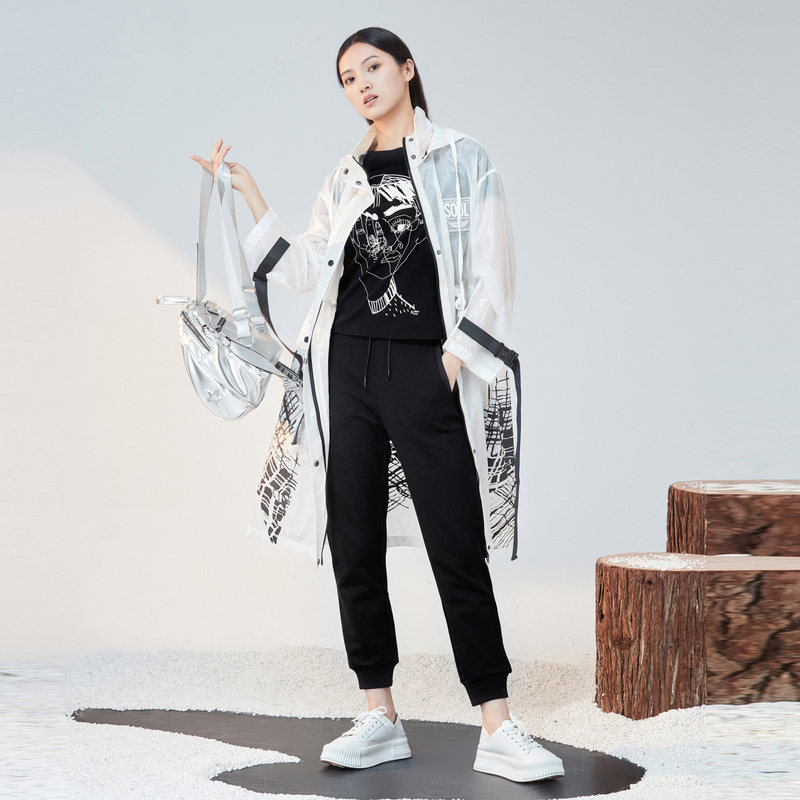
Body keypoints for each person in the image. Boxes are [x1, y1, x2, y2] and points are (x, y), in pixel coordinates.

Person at [190, 26, 564, 785]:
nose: (360, 84)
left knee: (457, 543)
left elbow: (494, 272)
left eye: (372, 67)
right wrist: (250, 193)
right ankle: (379, 715)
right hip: (346, 369)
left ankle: (498, 725)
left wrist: (451, 363)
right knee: (354, 543)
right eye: (347, 77)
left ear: (406, 69)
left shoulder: (463, 158)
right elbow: (304, 270)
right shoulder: (346, 174)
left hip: (424, 368)